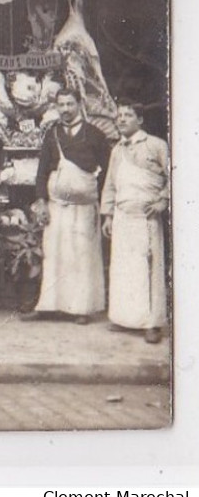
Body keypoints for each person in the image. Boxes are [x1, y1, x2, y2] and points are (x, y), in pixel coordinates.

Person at [25, 85, 112, 324]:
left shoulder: (95, 135)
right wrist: (41, 201)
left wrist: (105, 208)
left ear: (79, 104)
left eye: (69, 104)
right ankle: (49, 306)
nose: (65, 109)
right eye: (61, 105)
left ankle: (81, 309)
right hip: (57, 208)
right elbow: (42, 171)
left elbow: (107, 174)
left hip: (84, 208)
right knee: (54, 256)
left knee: (82, 256)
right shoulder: (52, 134)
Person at [101, 102, 169, 344]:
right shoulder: (117, 150)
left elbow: (176, 175)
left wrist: (163, 201)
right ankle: (125, 318)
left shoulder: (157, 145)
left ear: (140, 119)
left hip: (146, 217)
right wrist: (108, 215)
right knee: (123, 269)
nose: (121, 120)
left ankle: (152, 324)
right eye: (119, 116)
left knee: (148, 269)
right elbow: (110, 183)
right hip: (122, 217)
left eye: (128, 115)